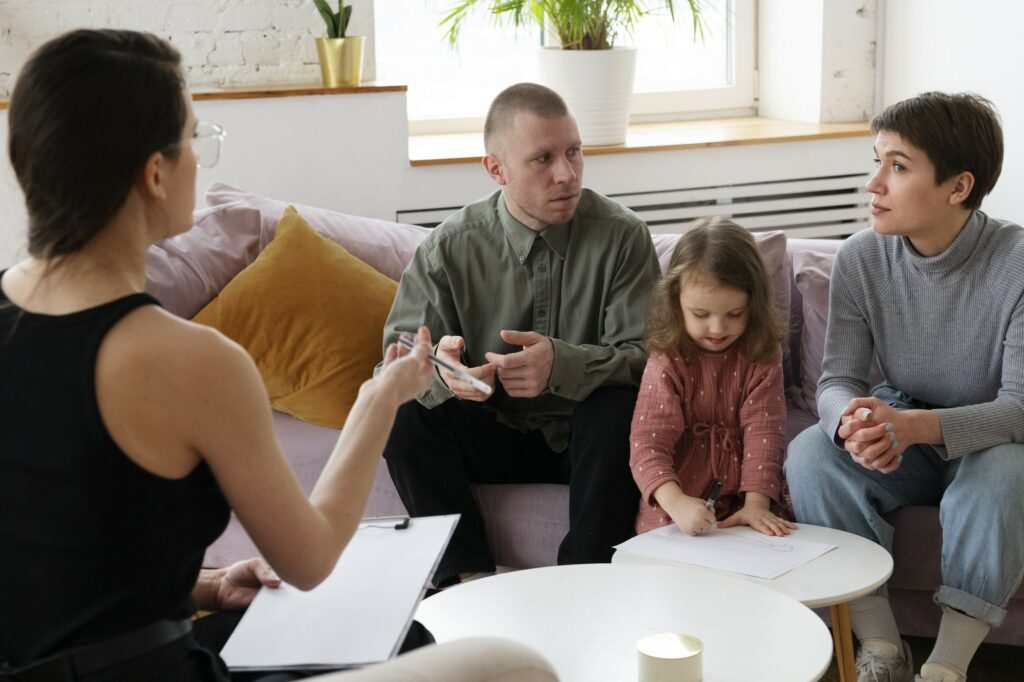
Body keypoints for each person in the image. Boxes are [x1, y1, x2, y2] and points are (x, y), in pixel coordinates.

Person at [0, 29, 435, 680]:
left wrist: (204, 586)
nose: (202, 161)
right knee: (502, 660)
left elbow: (60, 552)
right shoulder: (194, 360)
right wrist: (379, 399)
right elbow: (309, 559)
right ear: (154, 173)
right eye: (195, 138)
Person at [380, 82, 661, 588]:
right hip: (493, 431)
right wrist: (443, 374)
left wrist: (563, 364)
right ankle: (463, 580)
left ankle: (587, 583)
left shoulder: (622, 237)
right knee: (404, 415)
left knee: (618, 404)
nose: (566, 174)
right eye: (543, 159)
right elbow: (392, 369)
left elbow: (650, 361)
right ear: (496, 169)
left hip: (589, 440)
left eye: (574, 152)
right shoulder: (448, 250)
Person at [785, 92, 1024, 682]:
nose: (874, 184)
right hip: (902, 423)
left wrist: (918, 428)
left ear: (958, 186)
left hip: (992, 438)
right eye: (876, 161)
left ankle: (946, 667)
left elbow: (1020, 407)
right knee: (812, 453)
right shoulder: (862, 258)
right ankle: (883, 652)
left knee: (1001, 474)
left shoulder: (1015, 264)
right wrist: (852, 422)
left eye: (897, 166)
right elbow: (837, 379)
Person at [628, 218, 793, 538]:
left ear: (753, 305)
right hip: (674, 504)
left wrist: (756, 503)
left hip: (742, 502)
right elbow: (647, 445)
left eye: (734, 314)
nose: (718, 329)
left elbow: (765, 431)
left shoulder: (761, 353)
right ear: (676, 303)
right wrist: (675, 502)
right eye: (701, 315)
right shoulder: (668, 358)